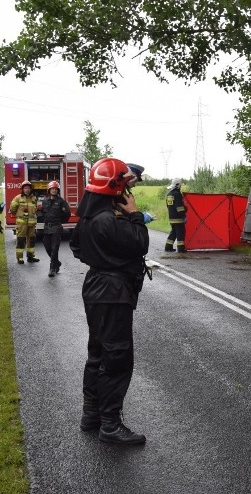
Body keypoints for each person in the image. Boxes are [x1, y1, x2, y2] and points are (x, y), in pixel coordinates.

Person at [69, 157, 150, 445]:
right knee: (117, 357)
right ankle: (110, 425)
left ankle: (91, 415)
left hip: (95, 286)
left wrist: (101, 259)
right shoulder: (111, 219)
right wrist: (136, 215)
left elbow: (76, 246)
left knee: (98, 353)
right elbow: (141, 243)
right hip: (113, 291)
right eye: (124, 184)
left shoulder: (90, 215)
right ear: (114, 187)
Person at [40, 180, 71, 277]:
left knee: (54, 249)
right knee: (47, 247)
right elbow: (42, 213)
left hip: (56, 227)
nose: (54, 190)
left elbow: (67, 214)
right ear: (49, 190)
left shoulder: (61, 201)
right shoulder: (44, 201)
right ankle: (57, 262)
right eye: (52, 189)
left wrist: (61, 221)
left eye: (55, 189)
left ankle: (52, 268)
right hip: (47, 227)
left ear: (58, 190)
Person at [9, 180, 40, 264]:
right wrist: (19, 215)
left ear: (31, 189)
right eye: (25, 188)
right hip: (22, 224)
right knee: (21, 240)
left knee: (32, 240)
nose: (27, 189)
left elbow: (35, 209)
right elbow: (12, 209)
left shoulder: (34, 198)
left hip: (32, 224)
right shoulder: (18, 198)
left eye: (28, 188)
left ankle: (31, 256)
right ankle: (20, 258)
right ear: (22, 189)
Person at [164, 177, 187, 253]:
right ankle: (181, 249)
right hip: (178, 218)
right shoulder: (177, 194)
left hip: (171, 217)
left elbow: (168, 206)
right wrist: (184, 214)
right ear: (178, 185)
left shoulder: (169, 194)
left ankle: (168, 246)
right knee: (181, 232)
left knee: (173, 232)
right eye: (180, 185)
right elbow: (179, 207)